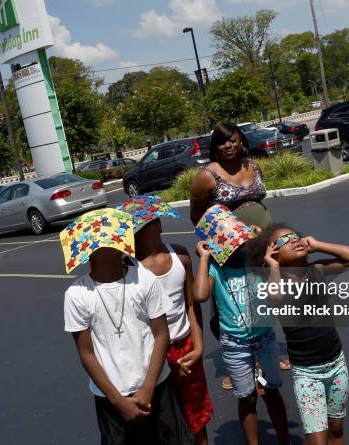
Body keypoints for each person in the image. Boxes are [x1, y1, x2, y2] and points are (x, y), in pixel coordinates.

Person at [61, 208, 194, 445]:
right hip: (111, 398)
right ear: (89, 251)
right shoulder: (76, 294)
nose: (121, 243)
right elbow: (87, 353)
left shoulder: (144, 279)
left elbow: (161, 334)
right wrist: (118, 401)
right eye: (112, 240)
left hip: (156, 386)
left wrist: (147, 388)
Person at [250, 224, 349, 445]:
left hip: (336, 364)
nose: (294, 241)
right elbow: (274, 300)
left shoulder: (317, 271)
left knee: (336, 427)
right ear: (275, 255)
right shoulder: (276, 284)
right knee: (317, 439)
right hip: (307, 373)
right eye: (284, 241)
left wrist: (317, 245)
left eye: (295, 237)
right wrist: (272, 266)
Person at [190, 123, 286, 384]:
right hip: (229, 247)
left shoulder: (253, 166)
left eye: (232, 140)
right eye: (222, 142)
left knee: (263, 293)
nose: (228, 145)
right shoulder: (207, 176)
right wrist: (222, 237)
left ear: (240, 139)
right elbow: (197, 217)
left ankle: (267, 351)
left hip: (262, 239)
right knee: (229, 302)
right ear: (215, 146)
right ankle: (238, 362)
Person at [118, 195, 213, 445]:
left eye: (152, 222)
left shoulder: (180, 257)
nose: (148, 229)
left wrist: (199, 347)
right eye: (137, 227)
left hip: (186, 349)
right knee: (162, 422)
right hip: (150, 357)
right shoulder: (127, 270)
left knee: (196, 419)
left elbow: (191, 305)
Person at [193, 205, 289, 445]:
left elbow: (277, 285)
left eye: (238, 238)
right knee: (246, 398)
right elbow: (201, 294)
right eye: (229, 242)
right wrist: (204, 259)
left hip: (265, 337)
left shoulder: (253, 256)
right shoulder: (215, 266)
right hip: (235, 343)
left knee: (271, 392)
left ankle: (284, 440)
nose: (235, 246)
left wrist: (259, 237)